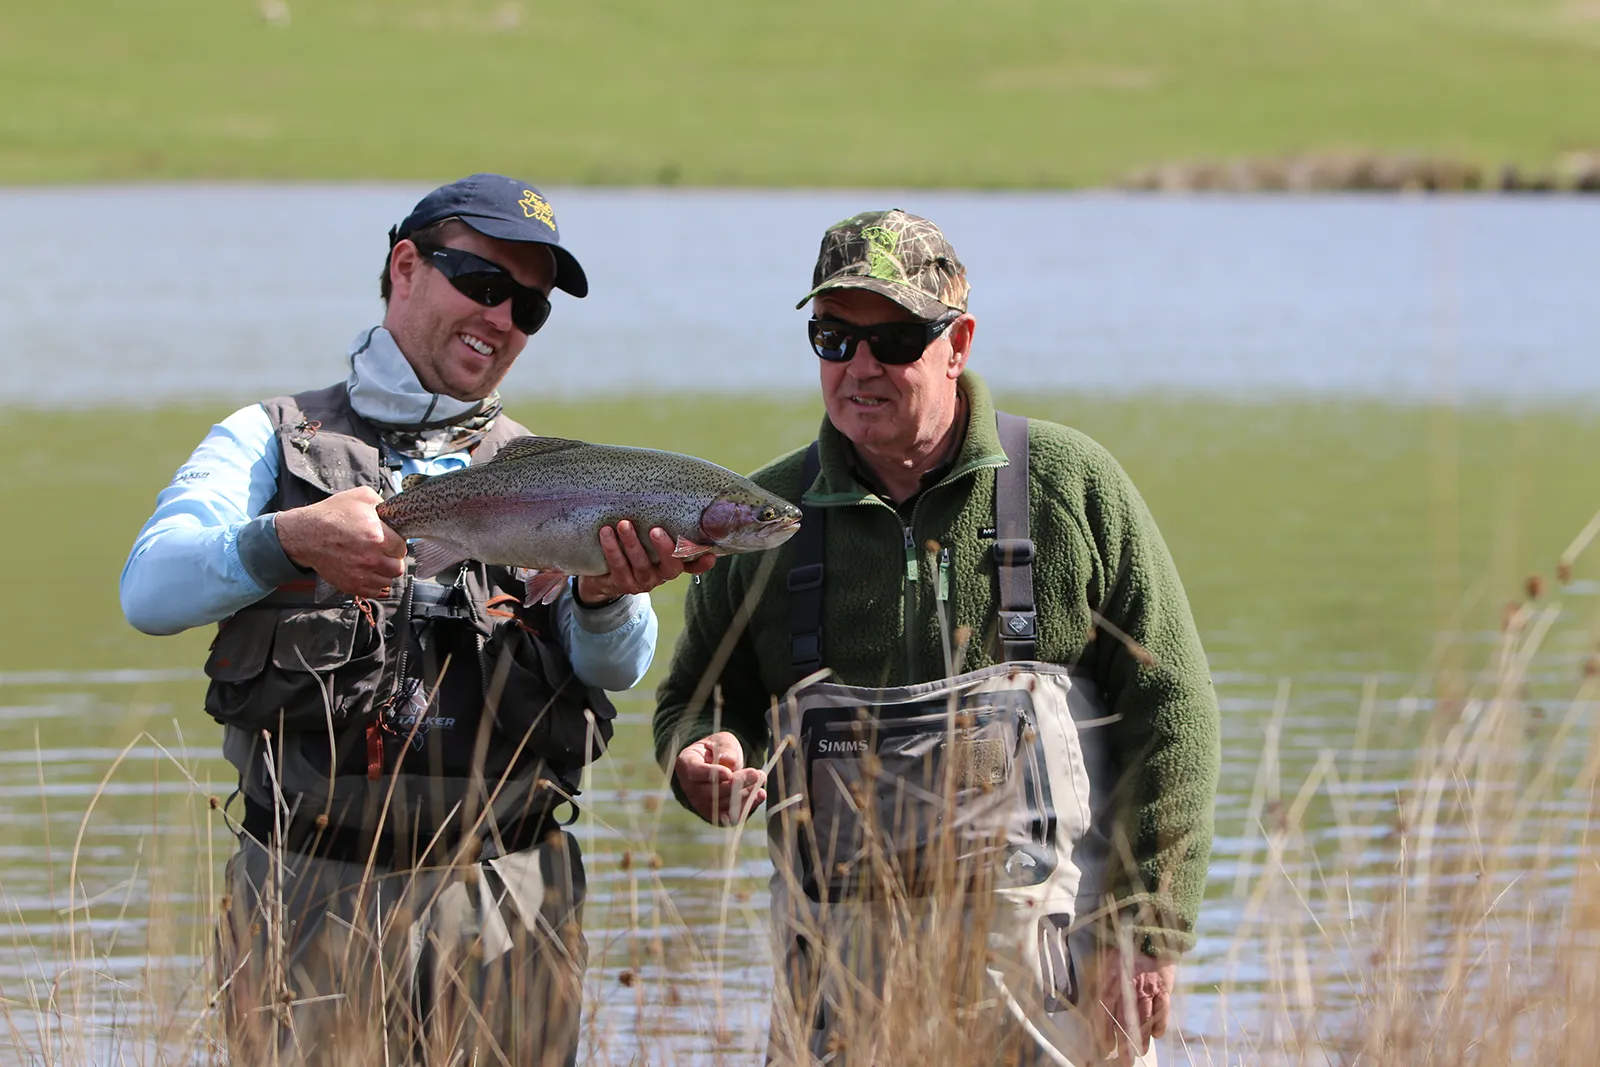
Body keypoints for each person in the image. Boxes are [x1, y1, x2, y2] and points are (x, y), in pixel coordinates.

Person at [122, 174, 712, 1066]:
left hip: (511, 901)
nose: (504, 316)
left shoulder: (555, 471)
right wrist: (288, 540)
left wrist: (604, 594)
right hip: (302, 892)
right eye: (482, 283)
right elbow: (151, 591)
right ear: (405, 265)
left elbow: (617, 668)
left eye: (529, 306)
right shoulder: (270, 438)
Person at [652, 210, 1220, 1065]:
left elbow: (1173, 709)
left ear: (959, 342)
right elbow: (692, 704)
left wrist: (1146, 929)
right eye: (834, 338)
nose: (861, 366)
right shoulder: (761, 518)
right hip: (835, 1007)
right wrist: (700, 759)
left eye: (895, 338)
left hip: (1055, 997)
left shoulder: (1073, 488)